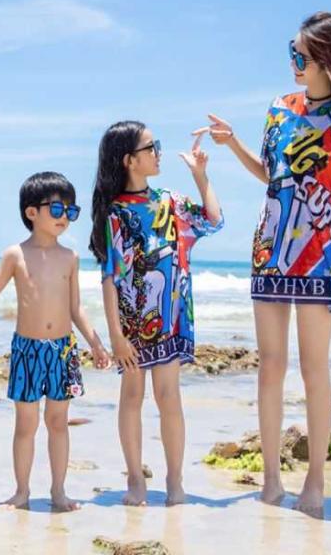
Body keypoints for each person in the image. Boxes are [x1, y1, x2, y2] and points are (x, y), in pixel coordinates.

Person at [203, 12, 331, 517]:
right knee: (271, 366)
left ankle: (316, 482)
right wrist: (232, 143)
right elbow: (271, 174)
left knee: (313, 368)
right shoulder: (280, 108)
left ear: (325, 59)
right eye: (292, 52)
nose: (293, 62)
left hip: (320, 255)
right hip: (270, 250)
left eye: (300, 55)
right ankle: (271, 481)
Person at [0, 172, 111, 512]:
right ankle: (21, 492)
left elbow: (75, 308)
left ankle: (58, 492)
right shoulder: (15, 255)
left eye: (71, 211)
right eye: (57, 209)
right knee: (26, 425)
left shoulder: (70, 257)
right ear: (32, 212)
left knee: (58, 423)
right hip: (27, 349)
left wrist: (95, 342)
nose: (64, 217)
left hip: (63, 349)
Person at [89, 122, 223, 506]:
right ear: (129, 160)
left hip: (172, 317)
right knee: (132, 396)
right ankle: (135, 479)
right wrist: (115, 336)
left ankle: (175, 481)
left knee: (169, 398)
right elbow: (110, 277)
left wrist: (200, 175)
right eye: (151, 147)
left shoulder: (171, 201)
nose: (158, 153)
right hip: (132, 324)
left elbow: (213, 220)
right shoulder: (115, 213)